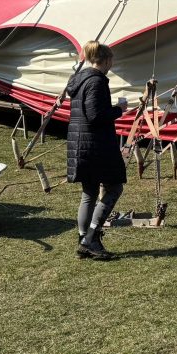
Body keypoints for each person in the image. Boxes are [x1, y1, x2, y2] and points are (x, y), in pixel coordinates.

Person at [66, 40, 129, 260]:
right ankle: (91, 238)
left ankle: (83, 239)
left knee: (89, 192)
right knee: (114, 187)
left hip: (81, 143)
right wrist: (118, 110)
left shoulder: (80, 79)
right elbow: (95, 115)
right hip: (95, 145)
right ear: (106, 60)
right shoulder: (96, 81)